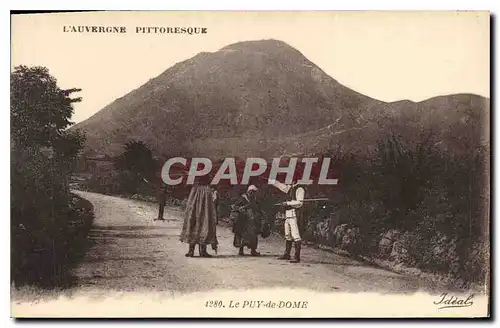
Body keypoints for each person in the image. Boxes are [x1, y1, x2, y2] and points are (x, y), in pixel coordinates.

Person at [180, 175, 218, 257]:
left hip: (199, 211)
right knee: (197, 227)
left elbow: (208, 205)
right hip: (200, 211)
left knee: (200, 227)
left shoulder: (202, 189)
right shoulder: (201, 189)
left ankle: (199, 251)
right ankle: (194, 251)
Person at [272, 179, 305, 263]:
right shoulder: (290, 188)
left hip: (294, 214)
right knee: (287, 235)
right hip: (288, 215)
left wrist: (288, 203)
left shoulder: (300, 189)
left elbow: (299, 203)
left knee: (296, 235)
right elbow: (281, 186)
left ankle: (297, 257)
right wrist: (271, 181)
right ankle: (287, 254)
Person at [230, 185, 264, 256]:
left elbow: (258, 208)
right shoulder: (243, 198)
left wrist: (259, 214)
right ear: (249, 191)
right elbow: (235, 206)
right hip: (243, 220)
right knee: (242, 234)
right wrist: (241, 209)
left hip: (252, 220)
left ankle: (253, 250)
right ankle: (241, 250)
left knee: (253, 235)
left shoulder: (254, 199)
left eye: (254, 192)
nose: (253, 193)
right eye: (252, 192)